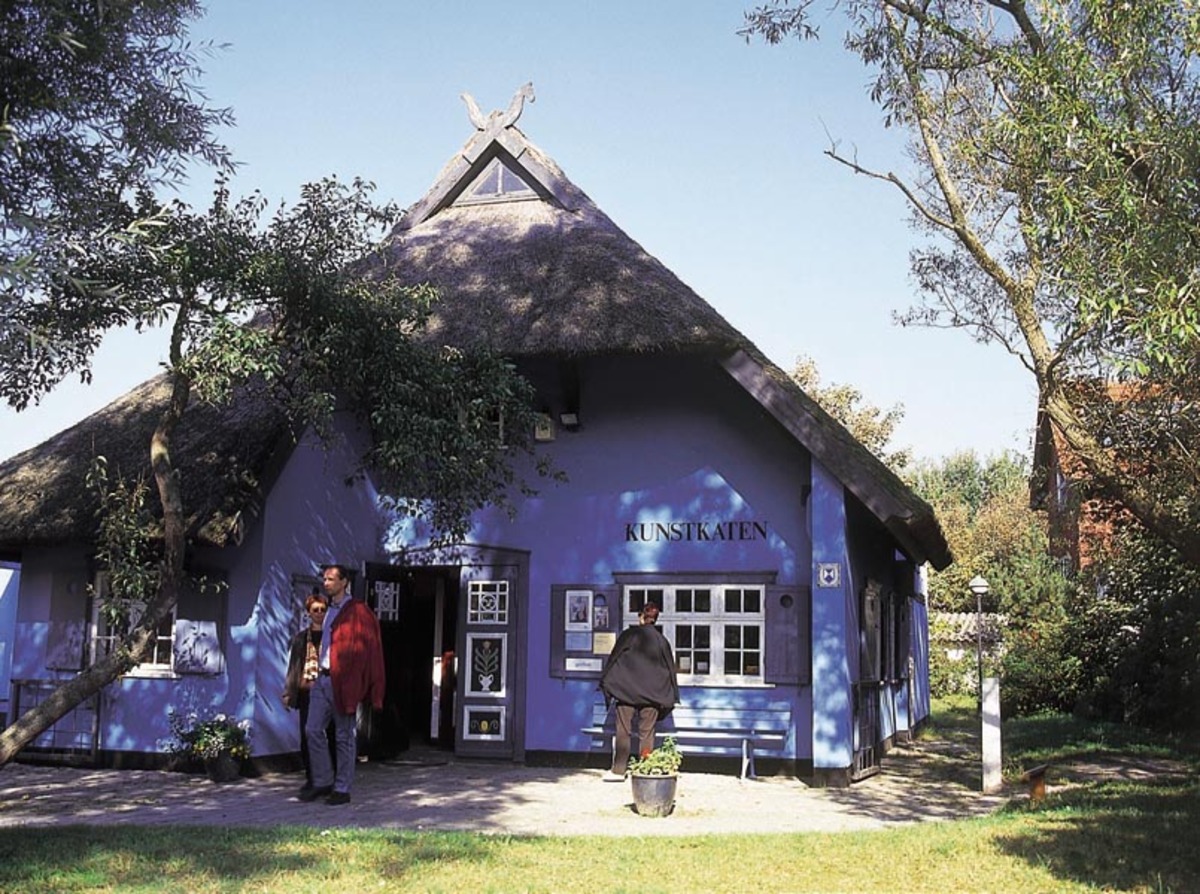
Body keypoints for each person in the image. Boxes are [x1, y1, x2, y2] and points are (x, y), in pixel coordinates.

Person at [299, 564, 386, 805]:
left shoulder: (358, 611)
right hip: (323, 677)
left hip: (343, 681)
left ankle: (342, 788)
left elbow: (369, 649)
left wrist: (364, 683)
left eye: (331, 579)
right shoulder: (328, 611)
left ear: (344, 582)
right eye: (325, 579)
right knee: (312, 729)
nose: (326, 583)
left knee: (344, 735)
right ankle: (323, 780)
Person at [598, 601, 679, 781]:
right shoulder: (661, 641)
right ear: (656, 619)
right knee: (647, 733)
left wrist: (609, 683)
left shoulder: (629, 635)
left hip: (626, 693)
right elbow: (669, 670)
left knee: (623, 730)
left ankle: (619, 770)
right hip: (652, 695)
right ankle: (645, 769)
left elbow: (614, 660)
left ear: (641, 617)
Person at [282, 588, 336, 789]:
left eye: (323, 610)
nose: (319, 613)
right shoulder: (301, 638)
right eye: (315, 610)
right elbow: (294, 666)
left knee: (330, 735)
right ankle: (312, 777)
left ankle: (330, 777)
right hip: (307, 691)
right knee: (307, 736)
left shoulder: (333, 636)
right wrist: (288, 692)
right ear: (309, 613)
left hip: (328, 690)